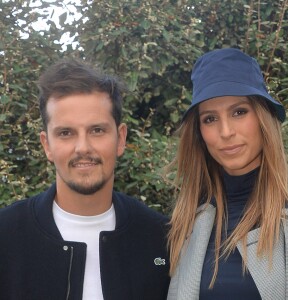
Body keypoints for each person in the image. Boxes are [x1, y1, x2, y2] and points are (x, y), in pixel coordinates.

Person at [0, 59, 170, 300]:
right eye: (65, 133)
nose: (83, 147)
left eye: (97, 130)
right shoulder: (6, 236)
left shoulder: (160, 238)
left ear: (121, 139)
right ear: (46, 145)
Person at [166, 48, 288, 300]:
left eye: (239, 112)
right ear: (199, 133)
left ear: (263, 116)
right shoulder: (187, 220)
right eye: (209, 119)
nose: (225, 131)